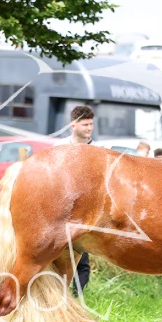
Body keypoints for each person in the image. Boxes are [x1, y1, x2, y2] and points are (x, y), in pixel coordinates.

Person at [57, 105, 95, 293]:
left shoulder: (98, 151)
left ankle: (75, 297)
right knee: (55, 254)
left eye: (91, 124)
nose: (89, 128)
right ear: (73, 125)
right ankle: (54, 293)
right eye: (85, 125)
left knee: (82, 260)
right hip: (61, 209)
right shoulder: (60, 148)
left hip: (85, 211)